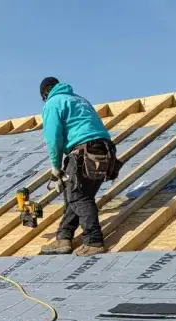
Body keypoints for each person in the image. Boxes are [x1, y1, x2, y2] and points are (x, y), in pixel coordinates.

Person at [38, 76, 116, 257]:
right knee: (74, 196)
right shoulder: (80, 100)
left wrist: (56, 167)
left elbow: (53, 138)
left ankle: (94, 241)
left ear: (45, 94)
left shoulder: (53, 103)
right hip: (105, 151)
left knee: (79, 197)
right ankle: (63, 238)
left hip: (83, 152)